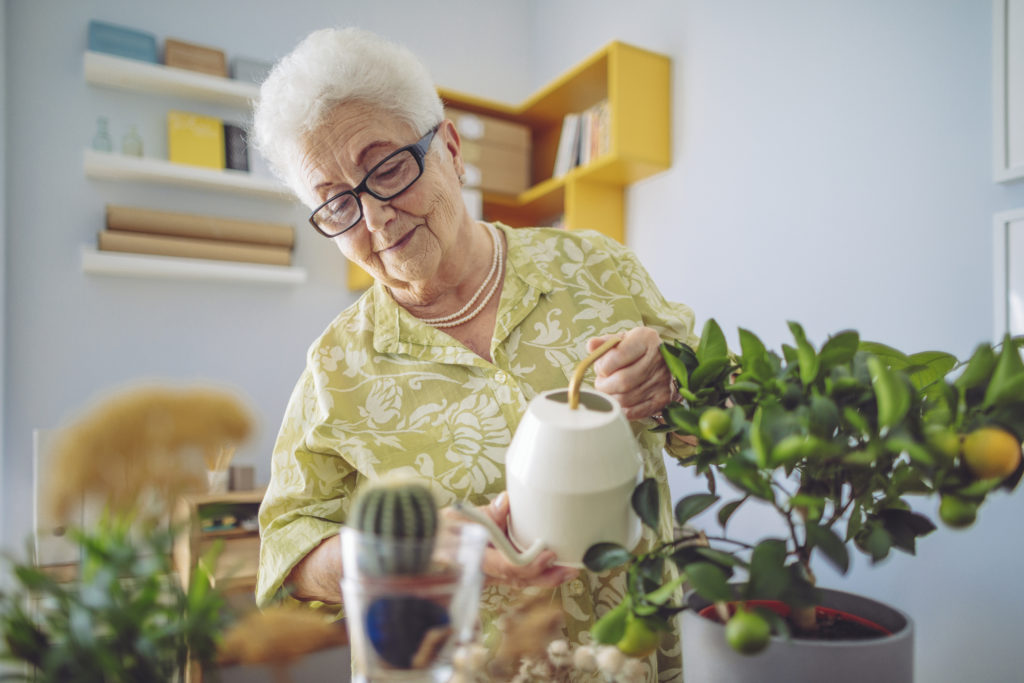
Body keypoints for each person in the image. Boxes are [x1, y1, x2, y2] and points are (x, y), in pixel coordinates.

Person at [253, 26, 699, 682]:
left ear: (451, 149)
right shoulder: (338, 366)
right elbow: (285, 548)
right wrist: (401, 549)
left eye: (387, 168)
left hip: (628, 652)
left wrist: (675, 374)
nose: (374, 217)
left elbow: (716, 419)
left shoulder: (596, 268)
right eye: (337, 203)